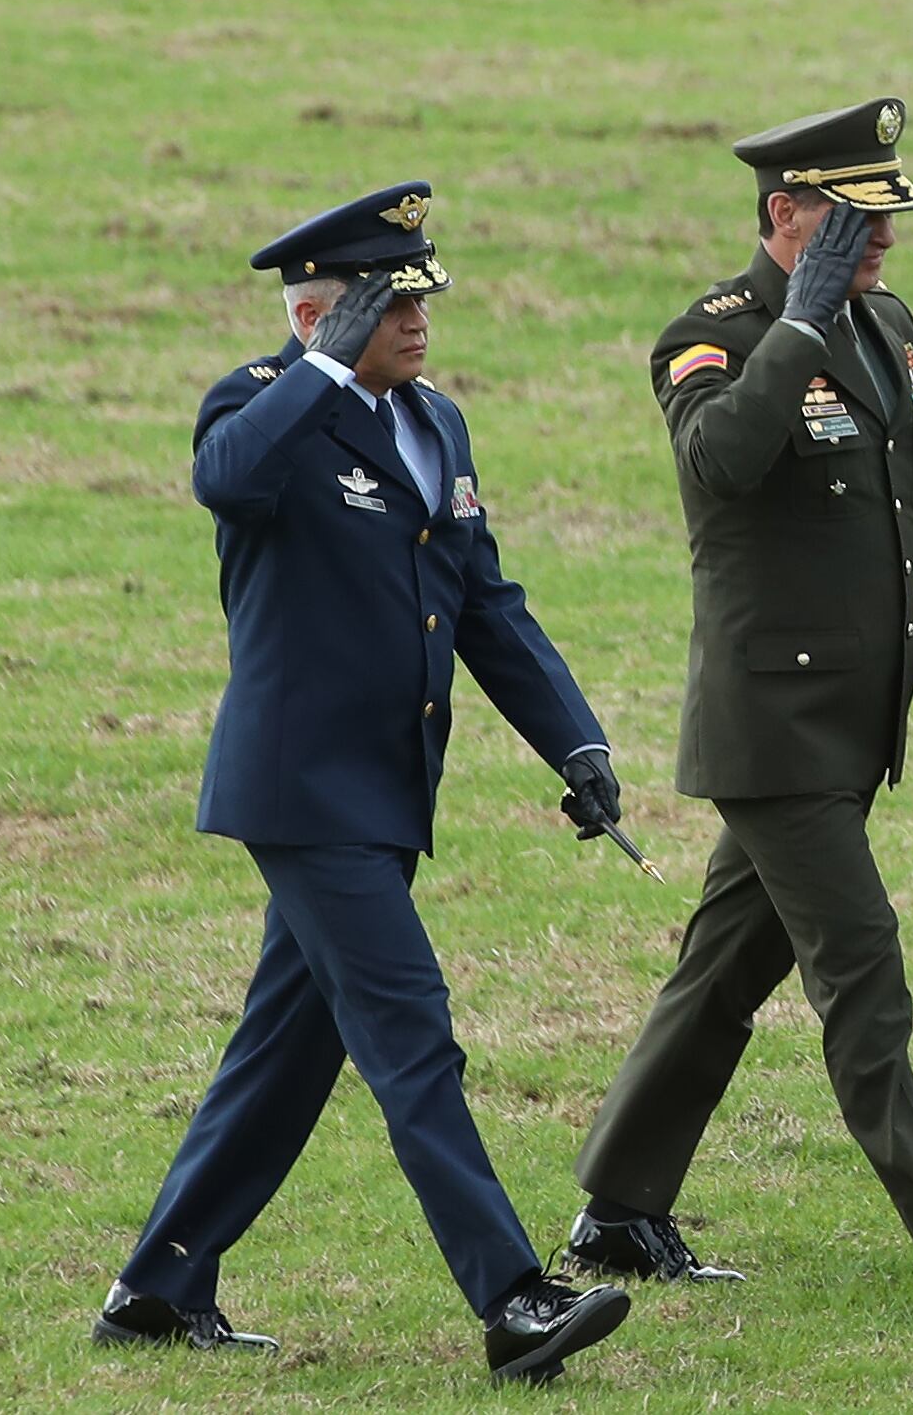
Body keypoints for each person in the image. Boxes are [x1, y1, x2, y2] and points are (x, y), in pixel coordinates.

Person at [98, 185, 634, 1383]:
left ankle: (156, 1286)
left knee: (283, 1056)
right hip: (300, 790)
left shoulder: (436, 422)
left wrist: (577, 743)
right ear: (318, 314)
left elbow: (488, 603)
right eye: (391, 301)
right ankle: (513, 1295)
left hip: (390, 788)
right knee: (412, 1034)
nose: (420, 317)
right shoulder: (257, 405)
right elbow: (225, 482)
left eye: (422, 294)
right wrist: (320, 376)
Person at [569, 101, 913, 1312]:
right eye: (854, 223)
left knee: (718, 975)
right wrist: (800, 323)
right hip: (773, 731)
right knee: (863, 966)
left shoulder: (889, 327)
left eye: (888, 219)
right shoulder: (712, 335)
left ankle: (617, 1209)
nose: (880, 244)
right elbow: (722, 463)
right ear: (784, 218)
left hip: (855, 725)